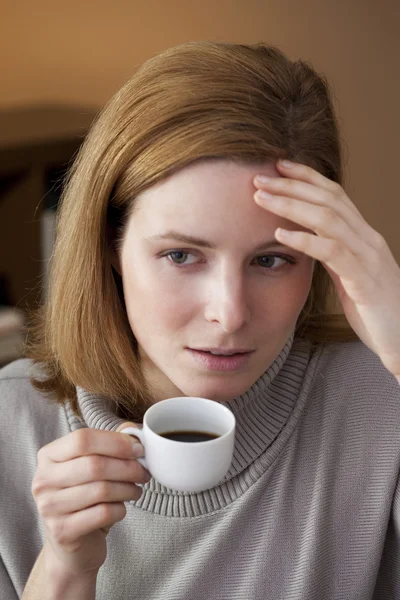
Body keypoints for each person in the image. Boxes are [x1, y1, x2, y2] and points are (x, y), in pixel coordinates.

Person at [1, 40, 400, 600]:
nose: (229, 314)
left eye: (271, 260)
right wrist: (64, 571)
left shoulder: (383, 406)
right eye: (181, 256)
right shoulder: (7, 424)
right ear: (109, 245)